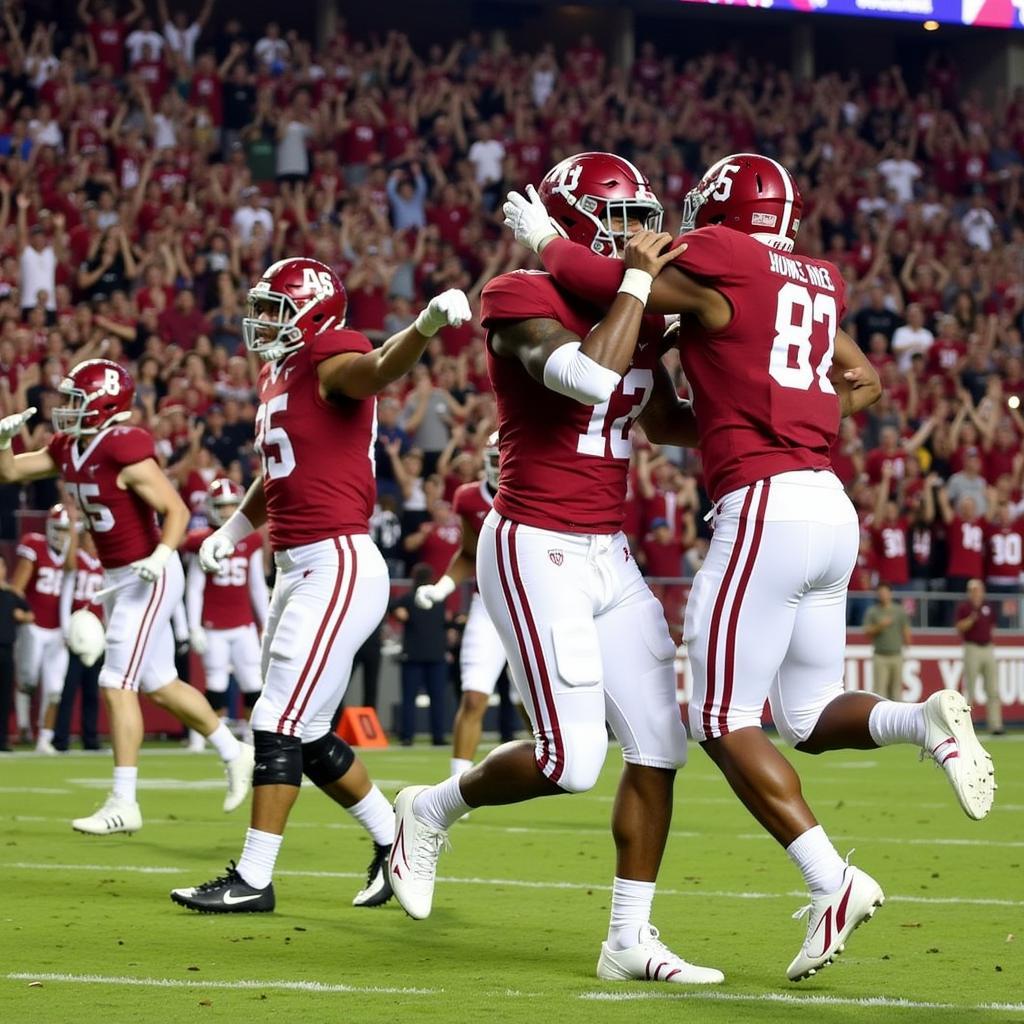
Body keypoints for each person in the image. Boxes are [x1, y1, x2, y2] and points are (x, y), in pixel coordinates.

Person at [504, 151, 996, 980]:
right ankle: (922, 723)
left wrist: (550, 239)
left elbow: (616, 279)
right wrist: (783, 410)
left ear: (723, 208)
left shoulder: (721, 255)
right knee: (804, 714)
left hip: (764, 507)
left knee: (719, 721)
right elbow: (864, 381)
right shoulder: (815, 275)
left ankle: (831, 879)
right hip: (830, 504)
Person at [390, 153, 724, 987]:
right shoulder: (520, 293)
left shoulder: (630, 306)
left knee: (659, 747)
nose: (635, 237)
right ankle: (427, 809)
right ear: (573, 224)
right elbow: (585, 378)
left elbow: (663, 422)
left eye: (639, 218)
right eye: (615, 221)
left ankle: (627, 940)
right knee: (570, 764)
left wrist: (756, 404)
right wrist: (640, 294)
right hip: (534, 542)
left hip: (608, 547)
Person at [169, 257, 471, 914]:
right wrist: (235, 531)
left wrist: (420, 327)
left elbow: (381, 368)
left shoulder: (332, 352)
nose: (264, 320)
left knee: (275, 718)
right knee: (303, 732)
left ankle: (253, 877)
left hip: (334, 562)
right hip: (296, 564)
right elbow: (278, 473)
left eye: (277, 307)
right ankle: (397, 839)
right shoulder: (281, 373)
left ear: (312, 312)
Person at [0, 359, 253, 834]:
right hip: (120, 577)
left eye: (78, 401)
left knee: (116, 680)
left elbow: (175, 511)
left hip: (150, 574)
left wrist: (159, 558)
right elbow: (11, 473)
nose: (67, 409)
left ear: (105, 406)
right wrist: (1, 440)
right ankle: (234, 751)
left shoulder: (123, 447)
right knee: (158, 682)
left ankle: (124, 800)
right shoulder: (70, 447)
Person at [414, 434, 517, 778]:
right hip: (488, 604)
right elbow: (469, 554)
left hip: (532, 607)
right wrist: (442, 588)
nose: (500, 466)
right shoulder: (469, 496)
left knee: (533, 703)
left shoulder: (540, 490)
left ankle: (555, 767)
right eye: (494, 458)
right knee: (474, 697)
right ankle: (457, 782)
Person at [184, 478, 268, 742]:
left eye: (232, 507)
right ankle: (207, 737)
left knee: (253, 683)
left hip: (243, 624)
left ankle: (253, 734)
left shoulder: (250, 540)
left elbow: (256, 586)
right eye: (221, 507)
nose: (227, 513)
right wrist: (193, 626)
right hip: (214, 625)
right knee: (216, 684)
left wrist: (266, 622)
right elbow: (194, 588)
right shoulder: (203, 540)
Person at [11, 503, 72, 753]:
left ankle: (44, 738)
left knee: (55, 689)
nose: (61, 535)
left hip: (59, 630)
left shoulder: (73, 556)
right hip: (34, 626)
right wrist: (20, 614)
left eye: (66, 530)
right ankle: (24, 726)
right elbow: (17, 588)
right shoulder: (34, 546)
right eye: (57, 529)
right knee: (27, 680)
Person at [53, 529, 106, 752]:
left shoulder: (104, 564)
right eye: (89, 538)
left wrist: (107, 629)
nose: (93, 543)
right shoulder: (76, 562)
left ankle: (90, 738)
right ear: (82, 540)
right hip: (77, 631)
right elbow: (66, 595)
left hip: (96, 634)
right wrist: (66, 630)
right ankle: (61, 739)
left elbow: (108, 600)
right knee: (69, 688)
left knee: (93, 690)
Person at [393, 563, 449, 746]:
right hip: (436, 655)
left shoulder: (409, 599)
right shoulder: (439, 601)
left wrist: (397, 612)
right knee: (438, 699)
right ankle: (438, 736)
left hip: (413, 655)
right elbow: (447, 623)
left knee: (409, 699)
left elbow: (392, 605)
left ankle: (407, 736)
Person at [956, 579, 1002, 735]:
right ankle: (966, 724)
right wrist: (971, 620)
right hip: (972, 647)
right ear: (970, 593)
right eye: (974, 591)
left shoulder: (988, 606)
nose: (977, 594)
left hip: (987, 647)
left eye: (979, 590)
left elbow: (993, 625)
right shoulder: (965, 608)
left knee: (993, 688)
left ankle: (995, 725)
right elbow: (960, 627)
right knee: (970, 688)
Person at [0, 557, 32, 751]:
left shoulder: (12, 594)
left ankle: (2, 739)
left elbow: (31, 615)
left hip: (6, 650)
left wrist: (22, 616)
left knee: (4, 698)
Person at [863, 583, 911, 701]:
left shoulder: (899, 610)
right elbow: (867, 631)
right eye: (880, 593)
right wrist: (880, 626)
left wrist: (908, 645)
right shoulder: (873, 611)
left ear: (890, 594)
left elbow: (905, 629)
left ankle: (896, 717)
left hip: (896, 654)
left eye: (885, 592)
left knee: (896, 690)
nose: (883, 595)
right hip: (880, 655)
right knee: (880, 690)